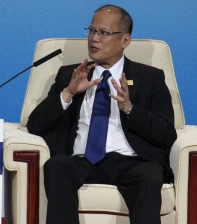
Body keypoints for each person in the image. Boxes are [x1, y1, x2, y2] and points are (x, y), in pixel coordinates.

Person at [27, 4, 177, 224]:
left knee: (149, 176)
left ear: (125, 40)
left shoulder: (150, 77)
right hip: (82, 160)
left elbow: (166, 134)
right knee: (56, 166)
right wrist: (68, 92)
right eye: (91, 30)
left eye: (103, 33)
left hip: (133, 162)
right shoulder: (71, 74)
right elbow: (35, 125)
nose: (94, 39)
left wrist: (129, 108)